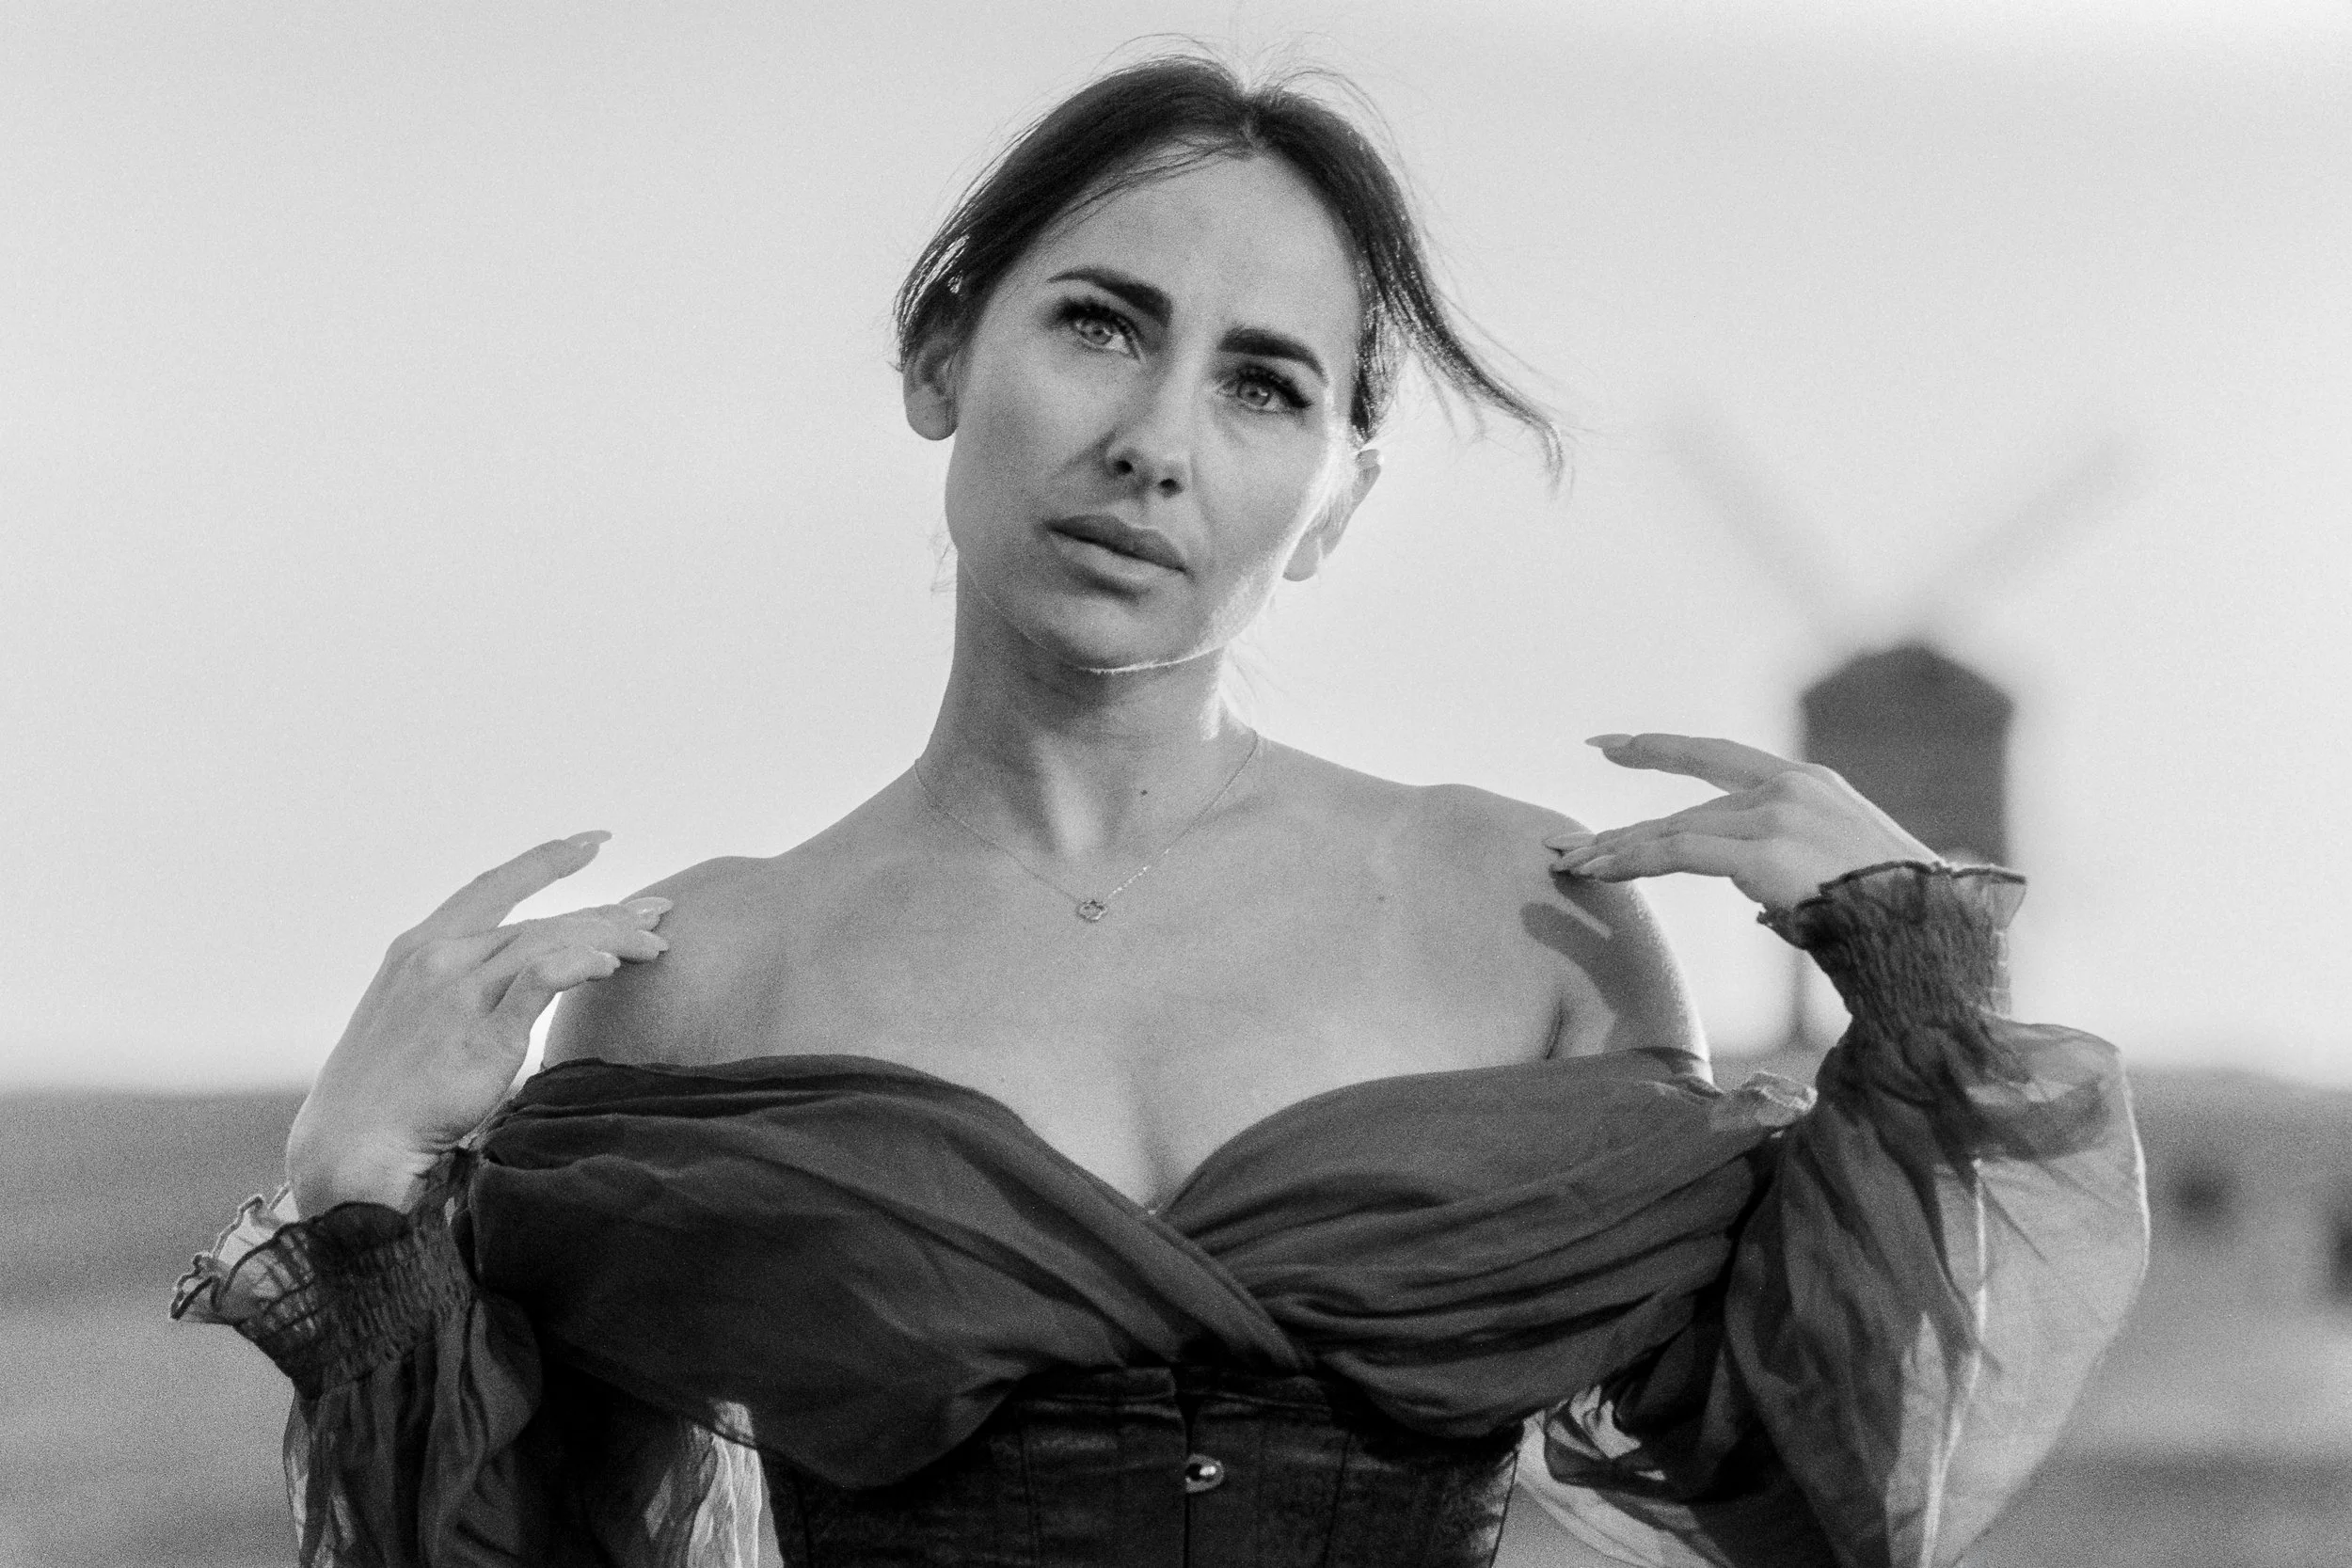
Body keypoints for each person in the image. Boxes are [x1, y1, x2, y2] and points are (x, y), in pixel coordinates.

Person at [172, 53, 2147, 1568]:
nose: (1154, 441)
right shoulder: (704, 973)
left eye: (1265, 384)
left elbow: (1811, 1476)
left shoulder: (1520, 915)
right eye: (1100, 324)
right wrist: (358, 1197)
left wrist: (1913, 991)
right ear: (945, 351)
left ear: (1337, 501)